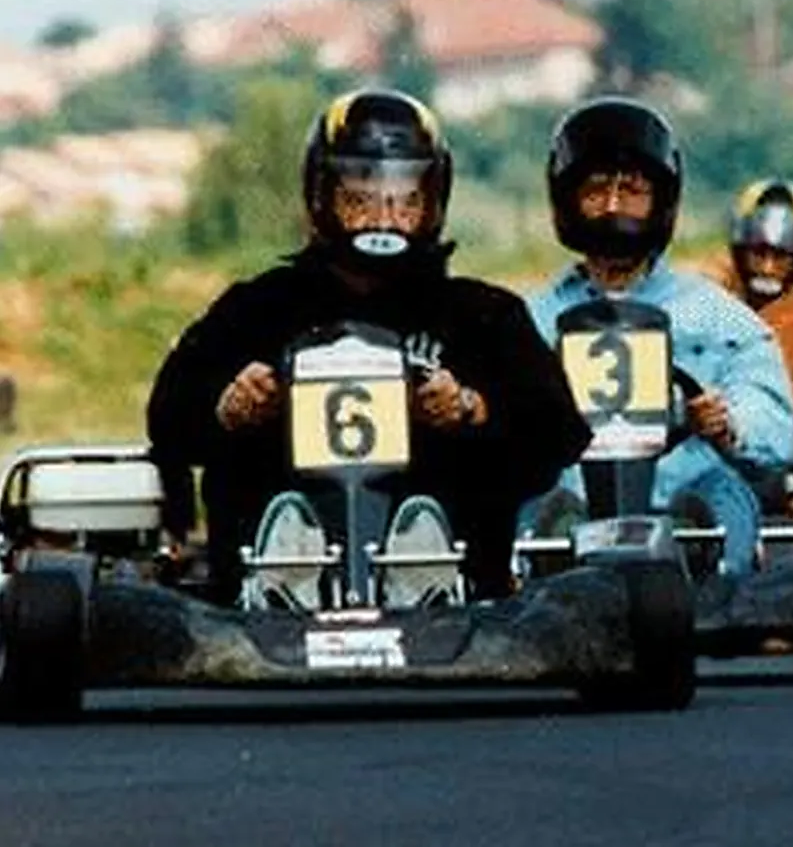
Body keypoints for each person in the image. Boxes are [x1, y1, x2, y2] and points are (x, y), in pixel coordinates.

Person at [145, 88, 592, 605]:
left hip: (457, 570)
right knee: (266, 495)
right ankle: (290, 572)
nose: (383, 218)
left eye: (405, 200)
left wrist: (473, 410)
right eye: (360, 199)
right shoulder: (257, 309)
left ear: (434, 201)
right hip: (268, 566)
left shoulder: (483, 315)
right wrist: (227, 409)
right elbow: (166, 422)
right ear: (321, 198)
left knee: (455, 491)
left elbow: (560, 433)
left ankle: (422, 570)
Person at [522, 96, 793, 575]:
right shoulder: (533, 316)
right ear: (567, 201)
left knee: (723, 490)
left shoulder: (715, 316)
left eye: (631, 190)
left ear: (661, 201)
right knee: (533, 499)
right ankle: (548, 572)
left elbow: (780, 430)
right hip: (574, 503)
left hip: (679, 500)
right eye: (596, 190)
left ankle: (710, 576)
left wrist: (727, 422)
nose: (613, 206)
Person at [717, 178, 793, 448]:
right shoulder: (708, 292)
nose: (768, 269)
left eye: (781, 257)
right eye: (759, 254)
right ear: (740, 250)